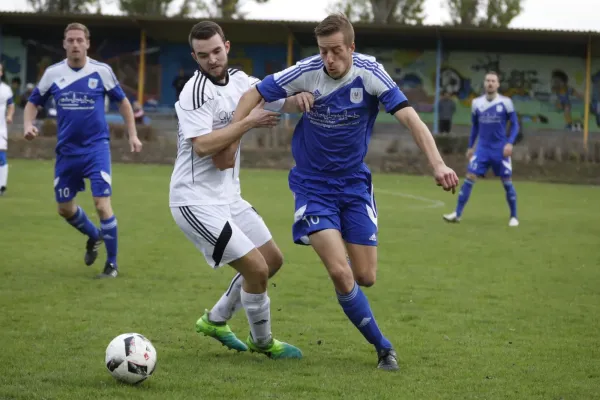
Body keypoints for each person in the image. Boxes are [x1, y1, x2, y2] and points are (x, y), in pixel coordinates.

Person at [230, 13, 459, 371]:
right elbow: (252, 94)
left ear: (352, 47)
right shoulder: (306, 71)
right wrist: (235, 135)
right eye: (323, 52)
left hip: (354, 185)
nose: (329, 60)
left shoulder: (370, 73)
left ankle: (349, 264)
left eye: (336, 51)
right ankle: (384, 348)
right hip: (312, 186)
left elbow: (411, 119)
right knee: (341, 273)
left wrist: (438, 164)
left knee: (365, 277)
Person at [169, 21, 312, 359]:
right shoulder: (194, 91)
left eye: (217, 51)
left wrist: (299, 98)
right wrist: (247, 122)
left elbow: (277, 101)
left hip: (229, 197)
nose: (212, 60)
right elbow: (203, 146)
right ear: (195, 56)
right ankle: (263, 343)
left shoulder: (241, 82)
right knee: (257, 269)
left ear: (227, 47)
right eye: (203, 55)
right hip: (195, 201)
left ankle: (216, 319)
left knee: (272, 260)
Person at [23, 22, 143, 278]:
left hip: (96, 149)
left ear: (88, 43)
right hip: (66, 152)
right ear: (64, 44)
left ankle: (111, 265)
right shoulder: (53, 74)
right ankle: (94, 235)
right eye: (71, 40)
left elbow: (123, 103)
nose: (75, 44)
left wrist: (132, 134)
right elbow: (33, 102)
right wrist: (27, 125)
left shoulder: (101, 71)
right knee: (64, 208)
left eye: (80, 40)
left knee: (101, 205)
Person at [443, 71, 520, 226]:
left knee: (507, 182)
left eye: (493, 81)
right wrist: (471, 147)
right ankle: (457, 214)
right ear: (484, 83)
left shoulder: (506, 102)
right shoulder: (476, 103)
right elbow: (475, 127)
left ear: (498, 84)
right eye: (487, 80)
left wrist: (510, 143)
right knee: (469, 177)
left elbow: (515, 125)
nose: (490, 83)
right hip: (482, 150)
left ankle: (513, 217)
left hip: (500, 150)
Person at [0, 63, 15, 196]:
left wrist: (9, 116)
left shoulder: (6, 89)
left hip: (0, 129)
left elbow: (11, 105)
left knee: (1, 157)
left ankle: (2, 186)